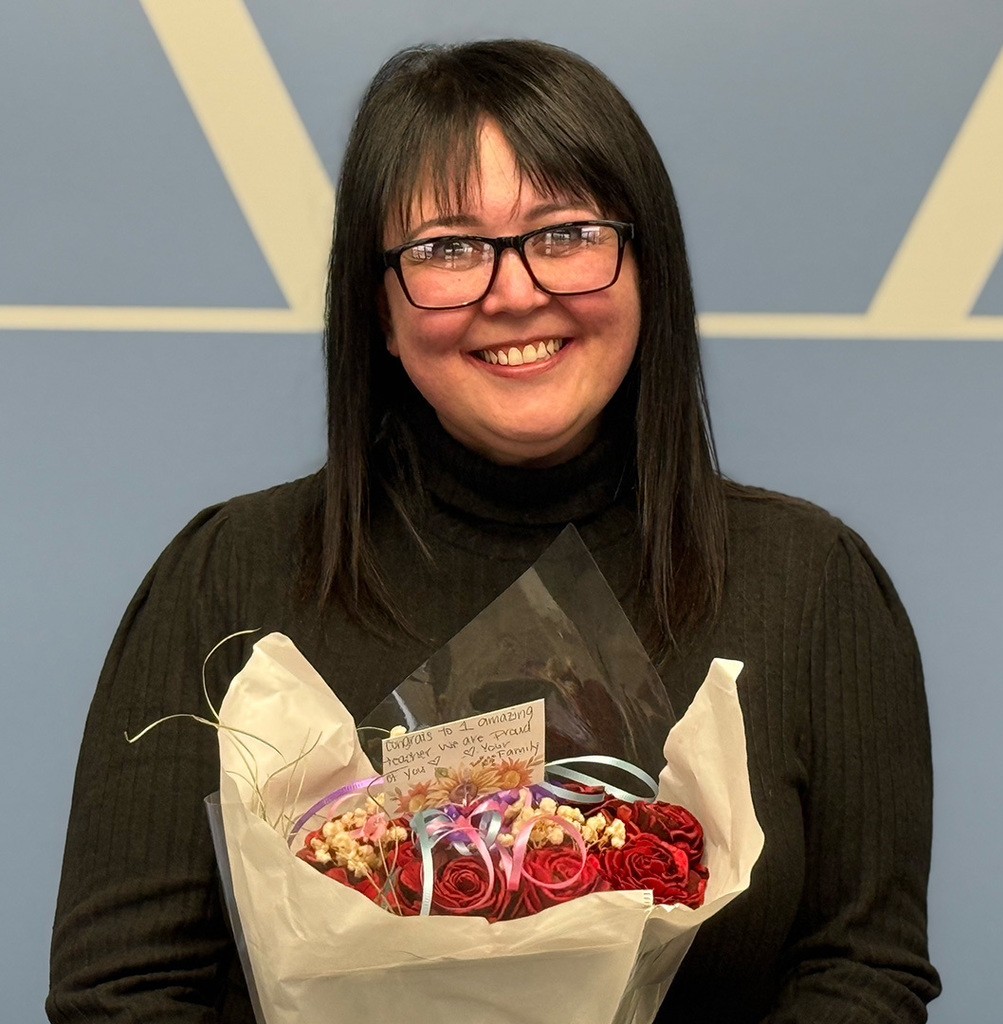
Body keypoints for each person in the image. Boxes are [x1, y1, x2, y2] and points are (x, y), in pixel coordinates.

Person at [47, 39, 940, 1023]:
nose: (513, 290)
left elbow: (861, 972)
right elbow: (121, 990)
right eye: (446, 248)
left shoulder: (810, 584)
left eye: (565, 233)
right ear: (378, 308)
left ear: (647, 269)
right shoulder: (229, 577)